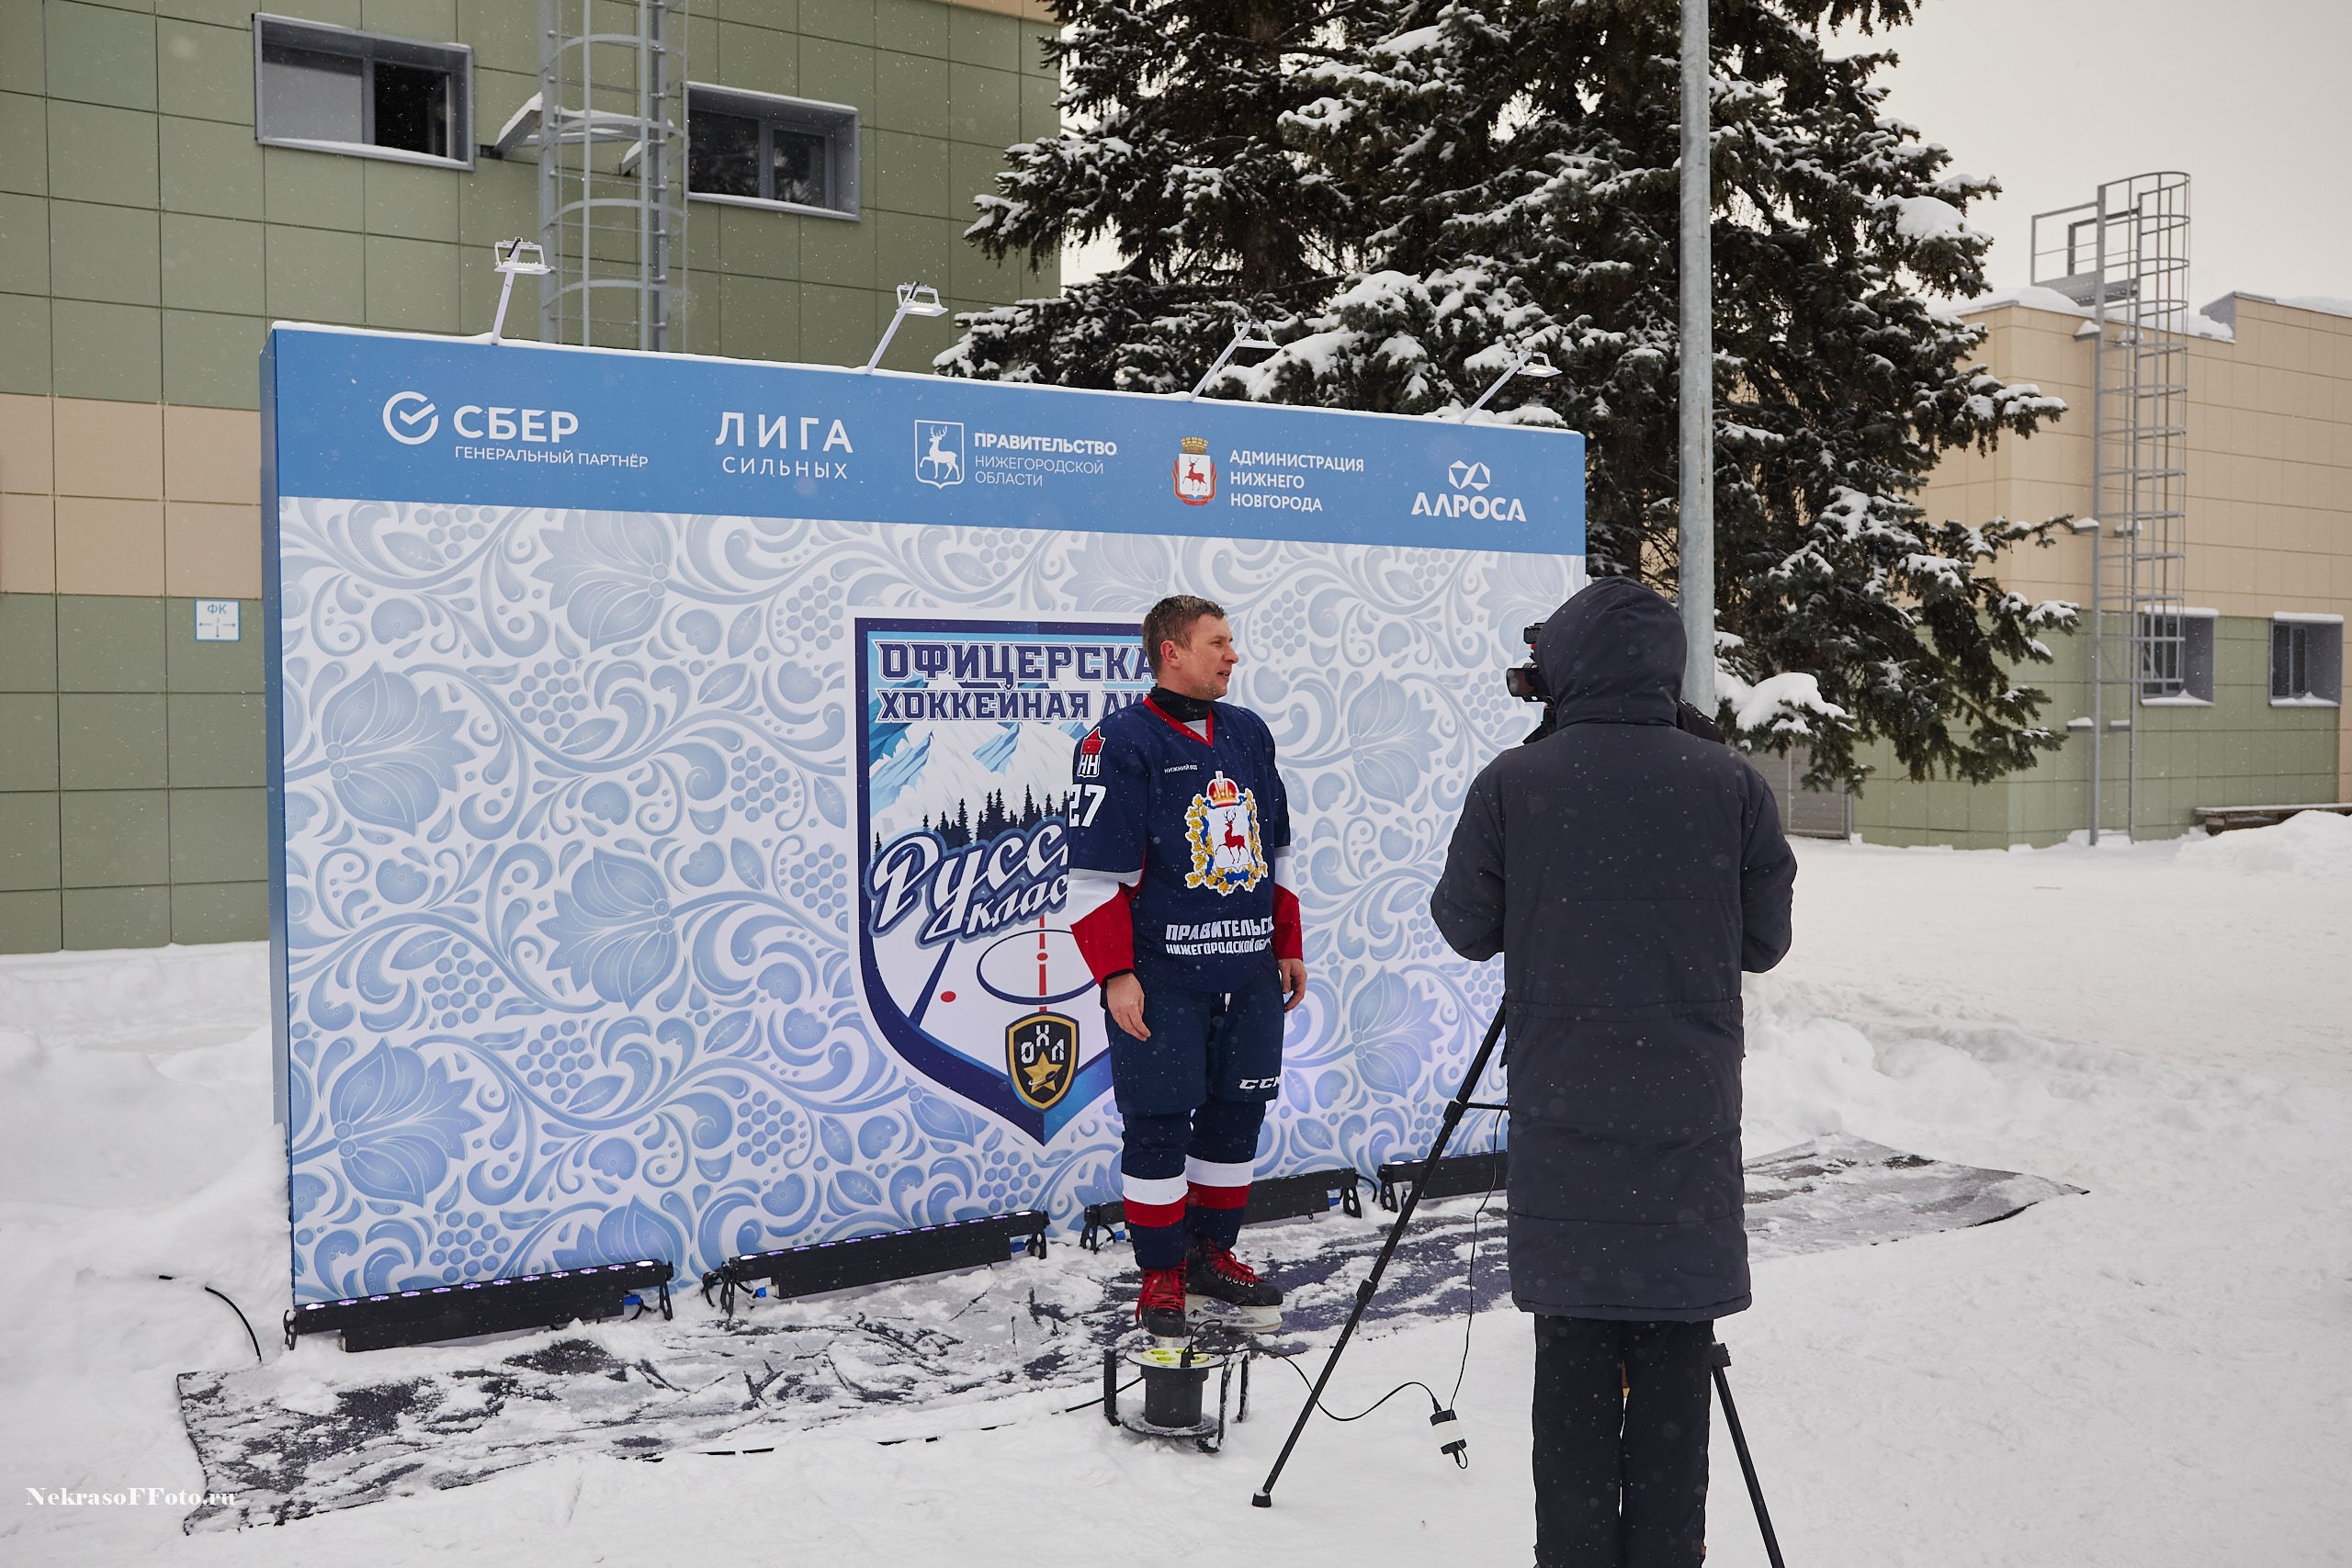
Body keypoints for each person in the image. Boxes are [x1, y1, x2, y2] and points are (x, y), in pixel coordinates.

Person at [1429, 576, 1797, 1568]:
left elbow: (1463, 926)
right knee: (1676, 1372)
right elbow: (1763, 941)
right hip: (1685, 1133)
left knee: (1575, 1381)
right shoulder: (1730, 785)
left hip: (1566, 1125)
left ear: (1570, 665)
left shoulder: (1516, 781)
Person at [1065, 595, 1309, 1337]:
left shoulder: (1248, 734)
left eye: (1231, 642)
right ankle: (1162, 1270)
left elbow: (1278, 850)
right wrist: (1115, 973)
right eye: (1218, 643)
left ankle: (1211, 1253)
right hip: (1163, 974)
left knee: (1238, 1118)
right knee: (1160, 1123)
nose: (1232, 655)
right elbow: (1092, 878)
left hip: (1248, 970)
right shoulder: (1117, 742)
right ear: (1172, 650)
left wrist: (1287, 943)